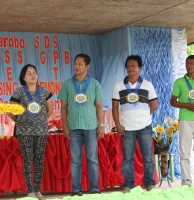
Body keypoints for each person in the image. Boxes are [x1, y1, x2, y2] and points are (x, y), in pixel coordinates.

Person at [57, 53, 104, 196]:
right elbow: (63, 106)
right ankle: (76, 189)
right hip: (73, 128)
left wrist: (101, 125)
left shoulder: (95, 84)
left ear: (87, 66)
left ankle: (95, 189)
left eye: (80, 64)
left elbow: (99, 106)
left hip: (90, 127)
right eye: (75, 64)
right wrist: (64, 125)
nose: (76, 66)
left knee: (92, 160)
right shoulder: (67, 84)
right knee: (76, 161)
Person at [112, 55, 158, 193]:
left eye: (133, 66)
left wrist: (144, 115)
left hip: (145, 127)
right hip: (127, 128)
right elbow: (114, 107)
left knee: (148, 157)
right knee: (127, 159)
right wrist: (118, 125)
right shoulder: (118, 85)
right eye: (128, 66)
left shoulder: (147, 84)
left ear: (140, 68)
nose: (130, 68)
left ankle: (149, 183)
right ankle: (128, 184)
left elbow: (154, 104)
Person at [8, 64, 53, 200]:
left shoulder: (44, 91)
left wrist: (42, 120)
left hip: (41, 131)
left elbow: (50, 109)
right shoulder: (19, 92)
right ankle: (30, 191)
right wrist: (22, 121)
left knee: (39, 159)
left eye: (35, 72)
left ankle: (38, 190)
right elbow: (11, 112)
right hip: (24, 132)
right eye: (29, 73)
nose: (33, 75)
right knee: (28, 159)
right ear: (24, 77)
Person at [170, 55, 194, 187]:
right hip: (185, 120)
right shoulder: (179, 81)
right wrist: (187, 105)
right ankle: (186, 181)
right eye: (187, 63)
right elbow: (172, 101)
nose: (188, 66)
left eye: (191, 63)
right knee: (185, 152)